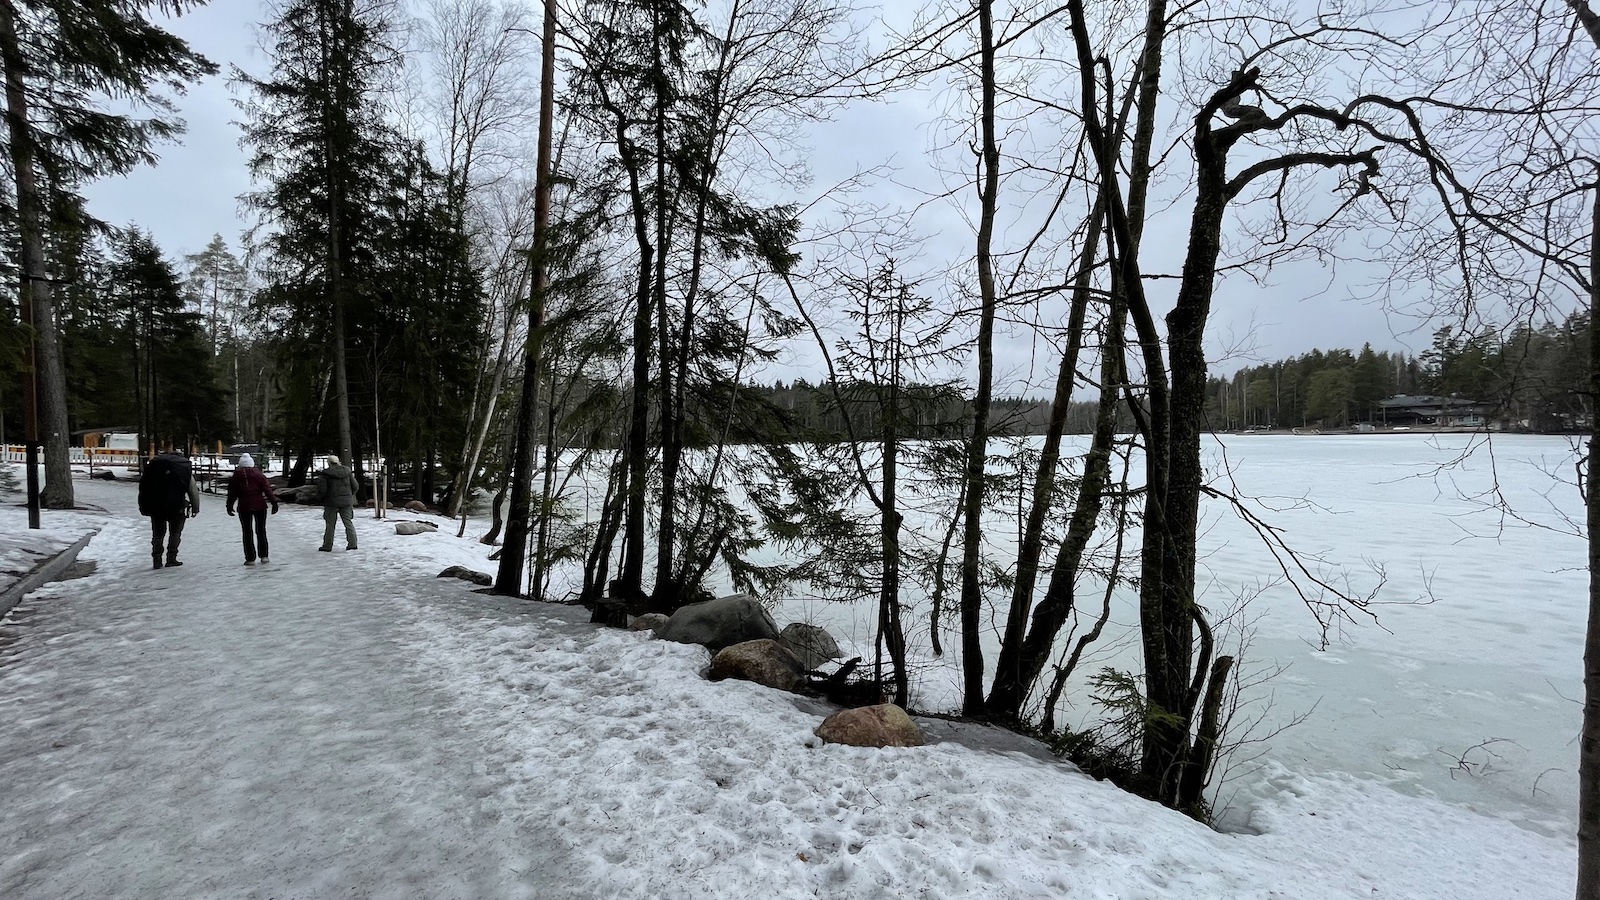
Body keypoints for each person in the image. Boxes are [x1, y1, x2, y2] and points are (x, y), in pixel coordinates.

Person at [137, 448, 200, 570]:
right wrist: (195, 507)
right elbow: (193, 490)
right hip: (177, 505)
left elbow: (144, 487)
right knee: (175, 532)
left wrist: (143, 505)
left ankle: (157, 559)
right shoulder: (183, 468)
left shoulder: (155, 467)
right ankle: (171, 558)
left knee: (158, 533)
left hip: (156, 506)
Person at [225, 452, 279, 566]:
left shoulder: (236, 477)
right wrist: (274, 502)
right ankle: (264, 556)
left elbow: (232, 493)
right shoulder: (259, 475)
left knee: (247, 532)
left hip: (244, 507)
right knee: (261, 530)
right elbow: (267, 490)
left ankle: (250, 558)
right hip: (260, 506)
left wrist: (229, 506)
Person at [317, 454, 359, 552]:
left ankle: (327, 546)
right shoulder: (347, 472)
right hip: (346, 502)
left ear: (329, 463)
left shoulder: (325, 474)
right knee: (348, 522)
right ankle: (353, 544)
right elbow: (356, 486)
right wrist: (349, 495)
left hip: (331, 502)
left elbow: (322, 490)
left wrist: (319, 499)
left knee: (330, 525)